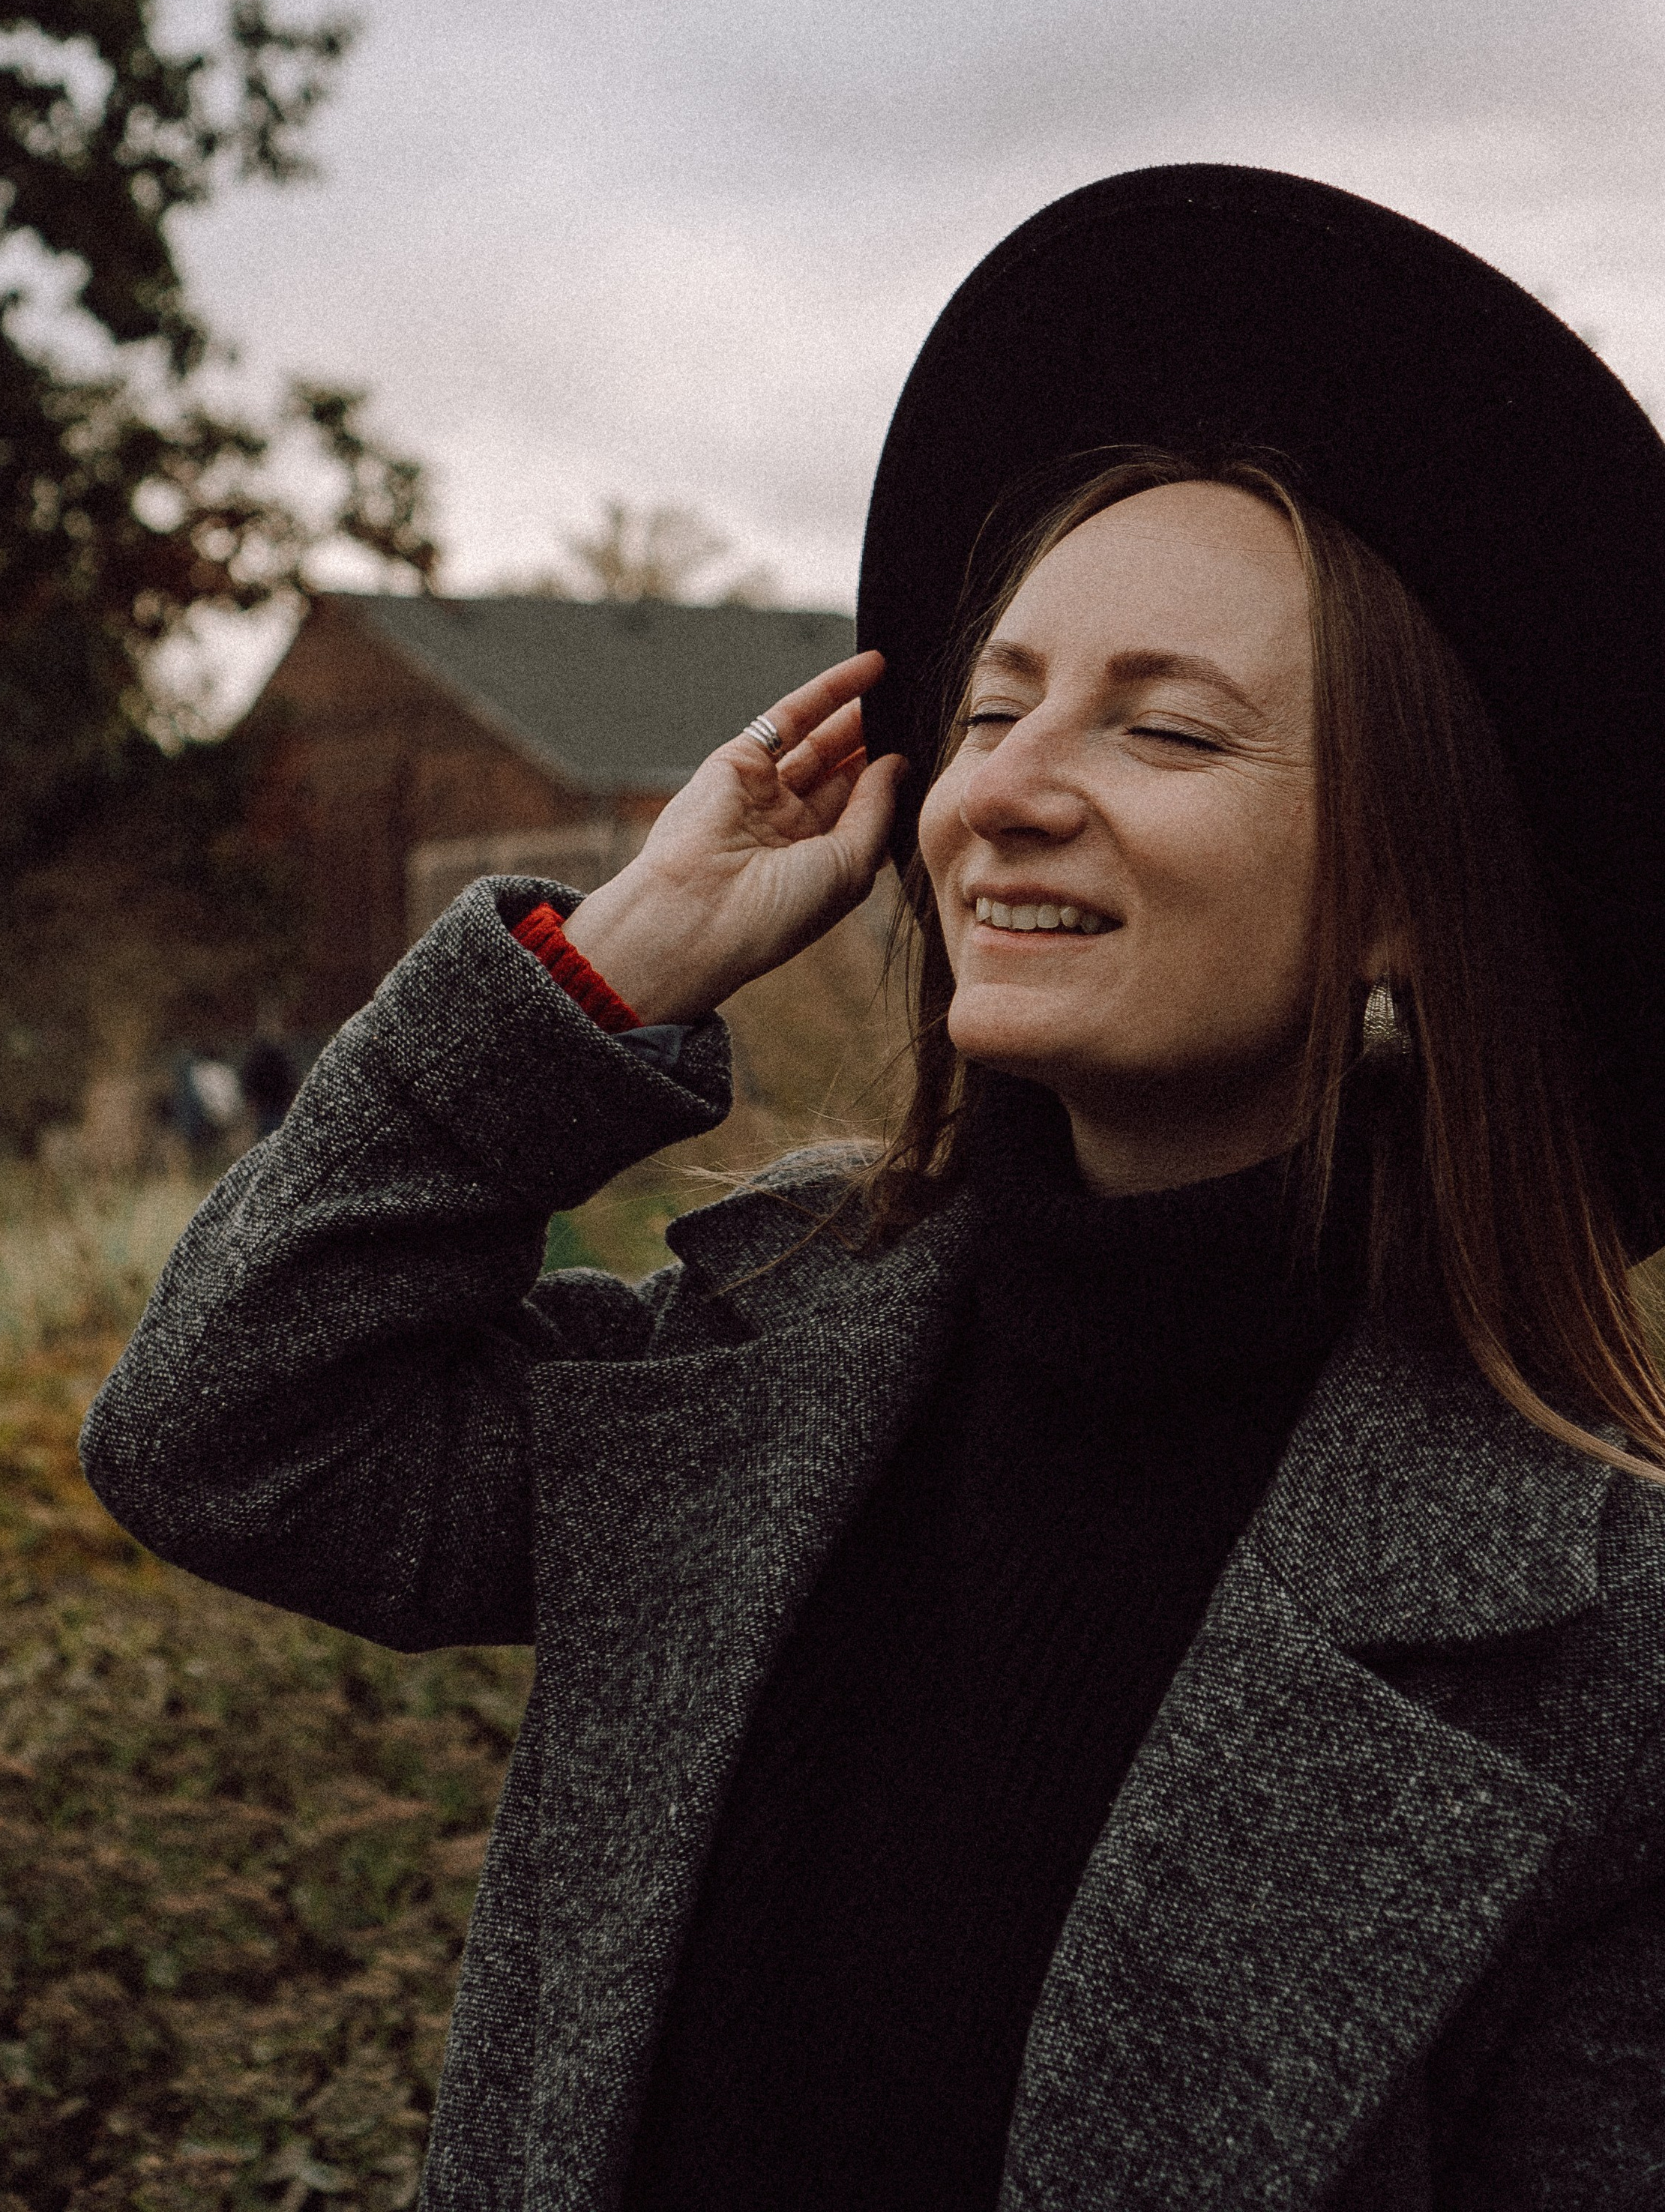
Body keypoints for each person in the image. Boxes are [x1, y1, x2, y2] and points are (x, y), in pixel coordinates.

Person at [82, 166, 1665, 2211]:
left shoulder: (1600, 1652)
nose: (1002, 785)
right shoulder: (752, 1363)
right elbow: (224, 1436)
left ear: (1404, 899)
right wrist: (612, 965)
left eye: (1167, 730)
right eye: (992, 708)